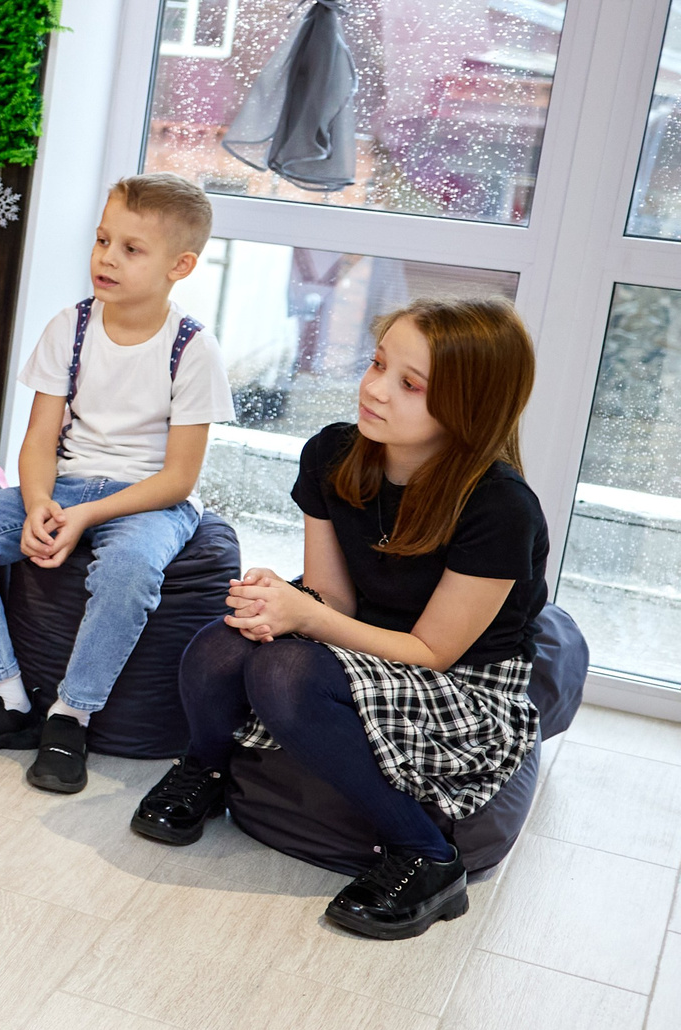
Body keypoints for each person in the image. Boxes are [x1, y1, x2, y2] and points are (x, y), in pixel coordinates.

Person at [133, 298, 548, 941]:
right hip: (366, 639)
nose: (375, 389)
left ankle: (428, 856)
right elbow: (333, 598)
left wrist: (305, 620)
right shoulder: (333, 453)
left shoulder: (500, 506)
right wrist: (281, 603)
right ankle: (207, 770)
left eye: (409, 384)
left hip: (461, 678)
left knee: (285, 673)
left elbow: (433, 650)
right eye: (378, 364)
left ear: (469, 406)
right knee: (220, 645)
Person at [0, 173, 233, 792]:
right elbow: (39, 440)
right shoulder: (71, 326)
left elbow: (179, 477)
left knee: (128, 572)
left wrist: (90, 518)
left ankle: (72, 714)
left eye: (131, 249)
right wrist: (39, 502)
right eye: (102, 241)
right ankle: (6, 694)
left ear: (181, 265)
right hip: (67, 483)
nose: (107, 258)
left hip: (149, 501)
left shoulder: (193, 349)